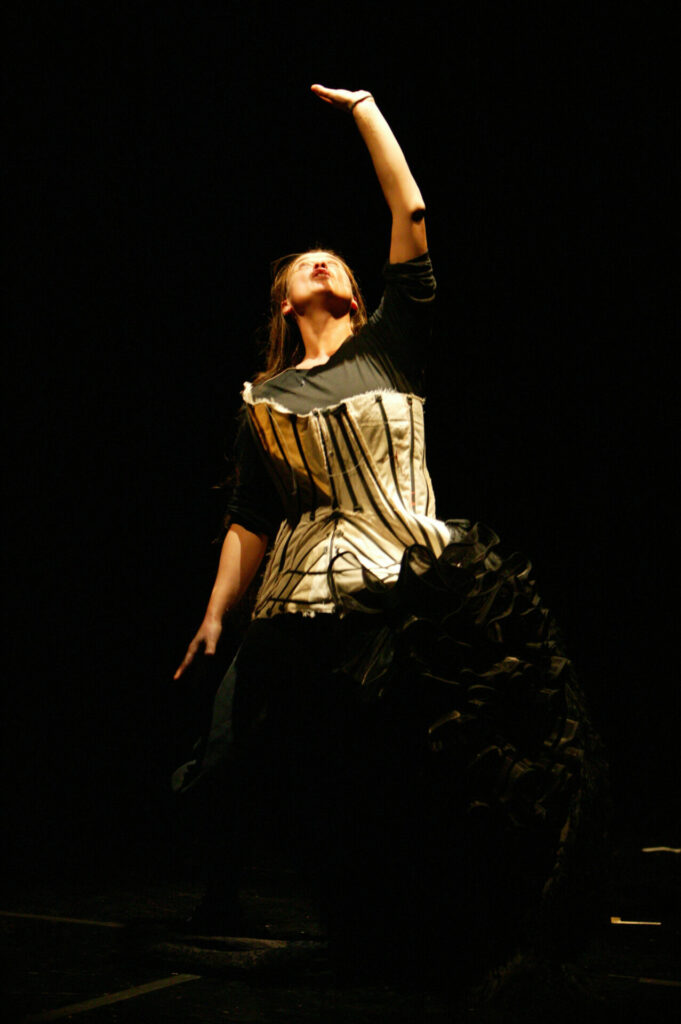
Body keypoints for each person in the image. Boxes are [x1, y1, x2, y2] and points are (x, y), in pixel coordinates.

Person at [171, 85, 606, 980]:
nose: (322, 264)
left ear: (358, 293)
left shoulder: (392, 345)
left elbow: (408, 212)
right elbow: (250, 516)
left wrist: (366, 110)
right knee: (225, 752)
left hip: (401, 584)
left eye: (335, 261)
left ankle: (444, 913)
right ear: (283, 303)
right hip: (295, 594)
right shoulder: (262, 401)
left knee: (419, 755)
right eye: (307, 264)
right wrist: (216, 612)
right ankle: (219, 887)